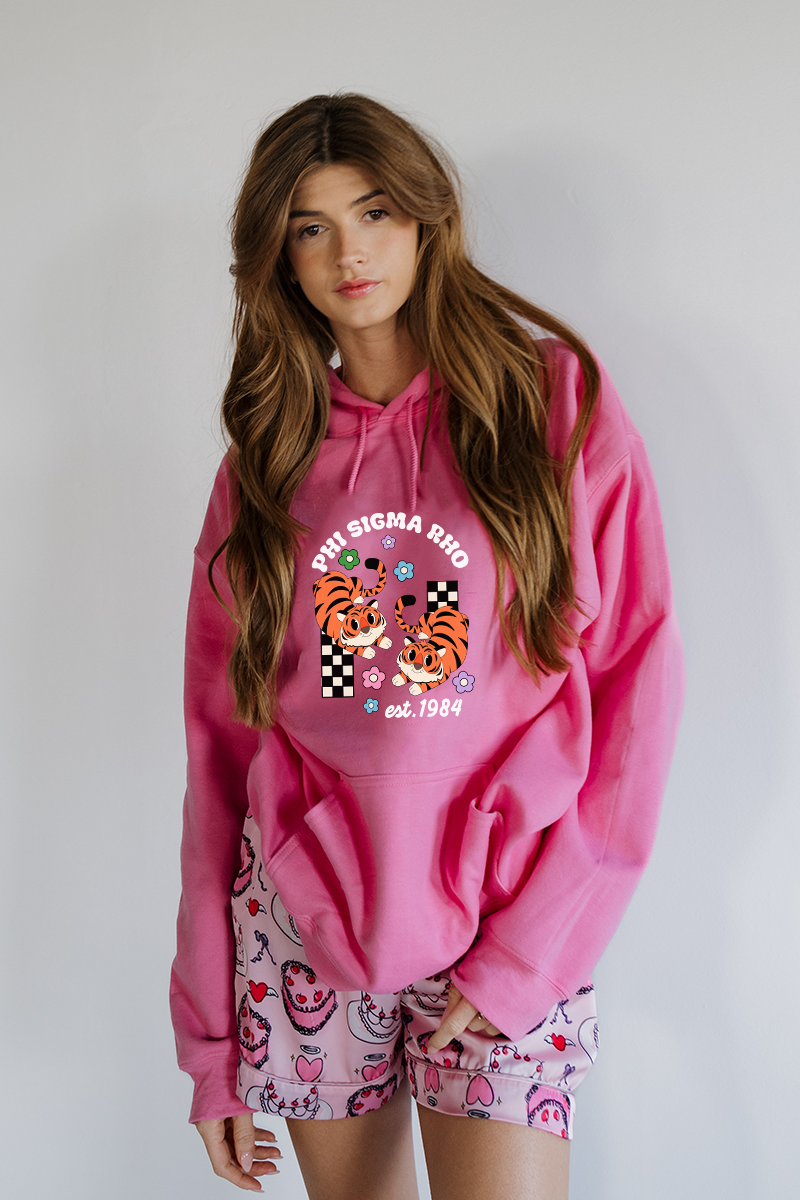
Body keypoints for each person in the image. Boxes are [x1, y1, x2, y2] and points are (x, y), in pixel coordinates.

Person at [169, 93, 684, 1200]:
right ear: (277, 257)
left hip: (505, 916)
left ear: (426, 218)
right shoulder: (264, 465)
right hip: (308, 925)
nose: (348, 253)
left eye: (374, 212)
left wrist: (528, 957)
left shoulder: (549, 405)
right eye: (310, 227)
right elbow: (219, 754)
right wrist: (211, 1045)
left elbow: (632, 690)